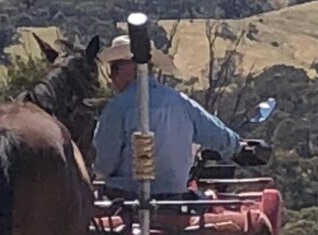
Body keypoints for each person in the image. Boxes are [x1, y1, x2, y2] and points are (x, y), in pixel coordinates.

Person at [92, 35, 241, 197]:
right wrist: (239, 147)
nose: (111, 77)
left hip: (125, 196)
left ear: (134, 67)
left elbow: (103, 163)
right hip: (175, 196)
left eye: (114, 68)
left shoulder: (117, 107)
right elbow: (220, 136)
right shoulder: (181, 101)